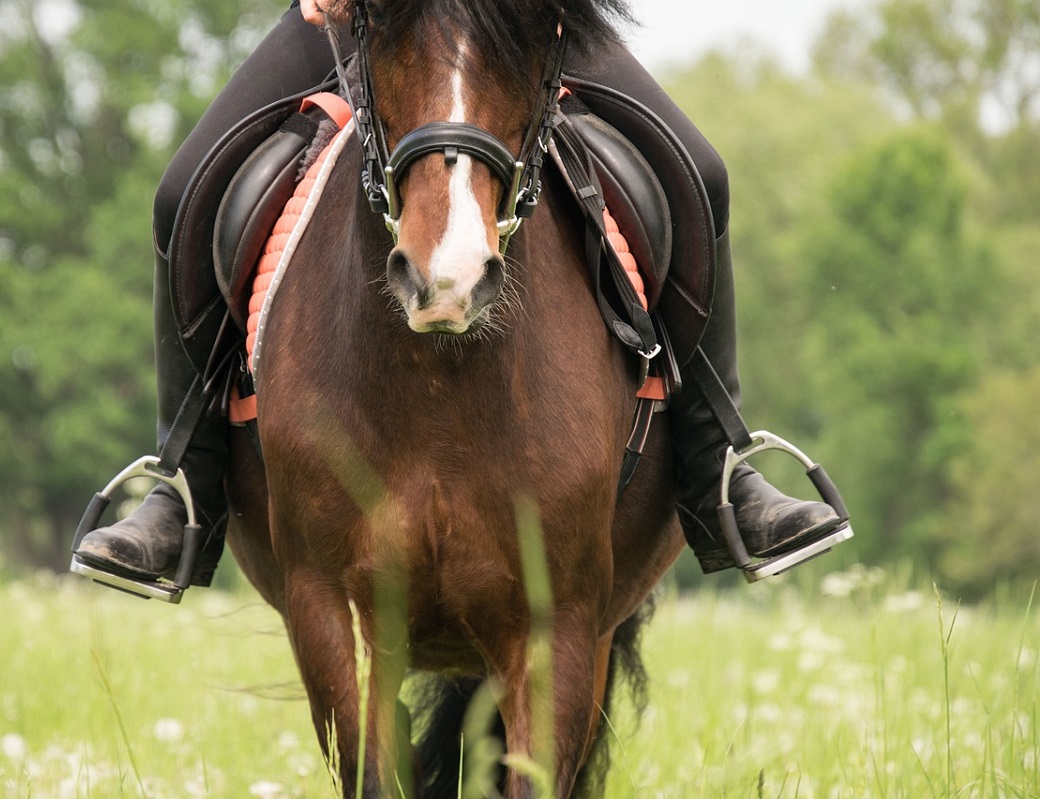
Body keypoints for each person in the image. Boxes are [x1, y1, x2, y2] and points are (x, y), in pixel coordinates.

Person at [73, 0, 849, 589]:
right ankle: (184, 483)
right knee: (182, 191)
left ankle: (720, 462)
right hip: (362, 12)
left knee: (699, 173)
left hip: (512, 16)